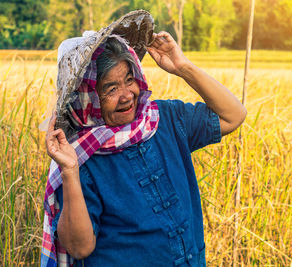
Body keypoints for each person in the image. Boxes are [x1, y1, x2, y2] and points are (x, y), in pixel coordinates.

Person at [42, 12, 246, 267]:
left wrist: (183, 67)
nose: (127, 95)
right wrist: (70, 171)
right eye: (111, 89)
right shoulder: (80, 157)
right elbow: (79, 247)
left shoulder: (165, 119)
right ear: (87, 98)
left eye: (130, 80)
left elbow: (233, 116)